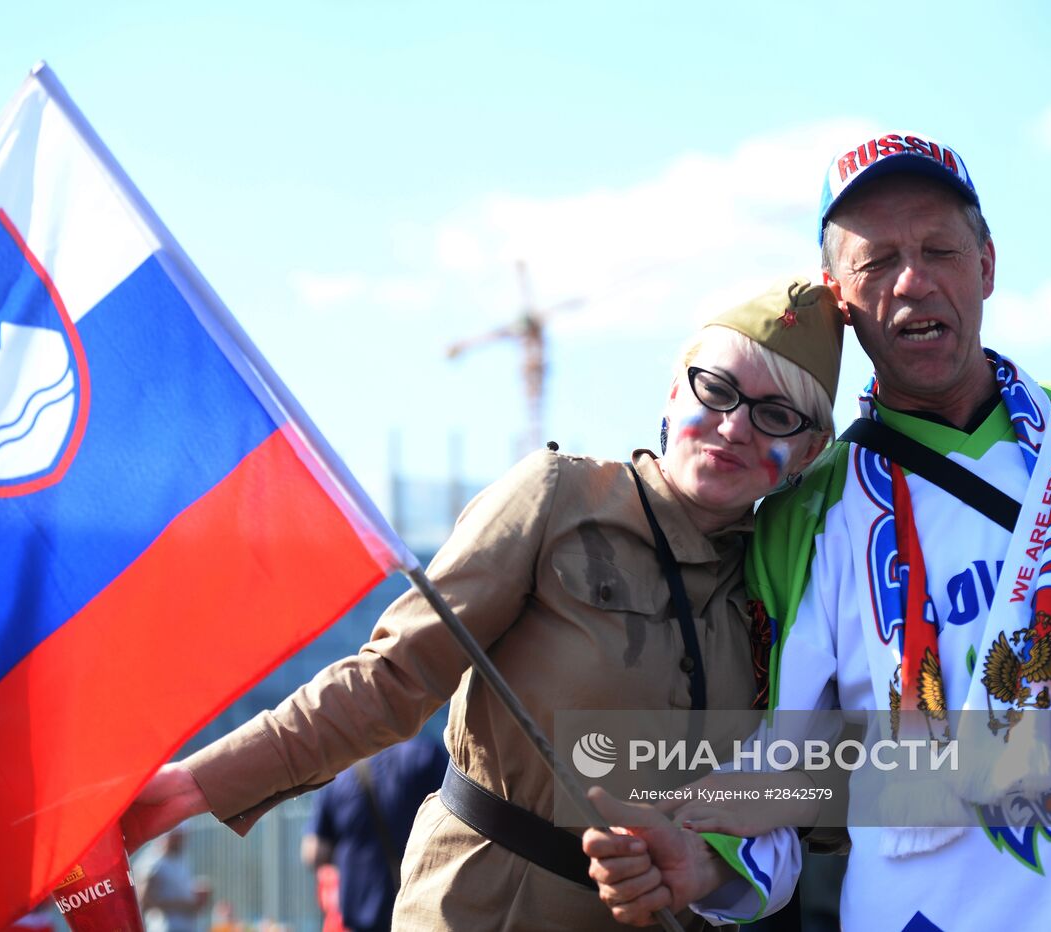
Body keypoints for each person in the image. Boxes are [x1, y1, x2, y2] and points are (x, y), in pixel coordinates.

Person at [583, 131, 1051, 930]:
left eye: (940, 249)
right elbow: (786, 773)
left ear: (988, 266)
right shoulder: (802, 515)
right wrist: (708, 861)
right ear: (839, 295)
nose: (914, 281)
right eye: (877, 262)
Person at [120, 278, 845, 931]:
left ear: (811, 450)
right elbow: (390, 680)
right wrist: (194, 785)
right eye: (716, 389)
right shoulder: (559, 497)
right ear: (673, 394)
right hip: (483, 907)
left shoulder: (792, 587)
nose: (735, 425)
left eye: (775, 414)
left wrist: (713, 865)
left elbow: (825, 789)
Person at [300, 735, 448, 931]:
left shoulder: (340, 772)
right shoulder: (426, 755)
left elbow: (314, 852)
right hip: (418, 912)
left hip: (359, 915)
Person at [139, 828, 212, 932]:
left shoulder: (180, 860)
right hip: (165, 928)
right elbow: (143, 900)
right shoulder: (155, 862)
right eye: (178, 835)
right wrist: (183, 905)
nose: (182, 839)